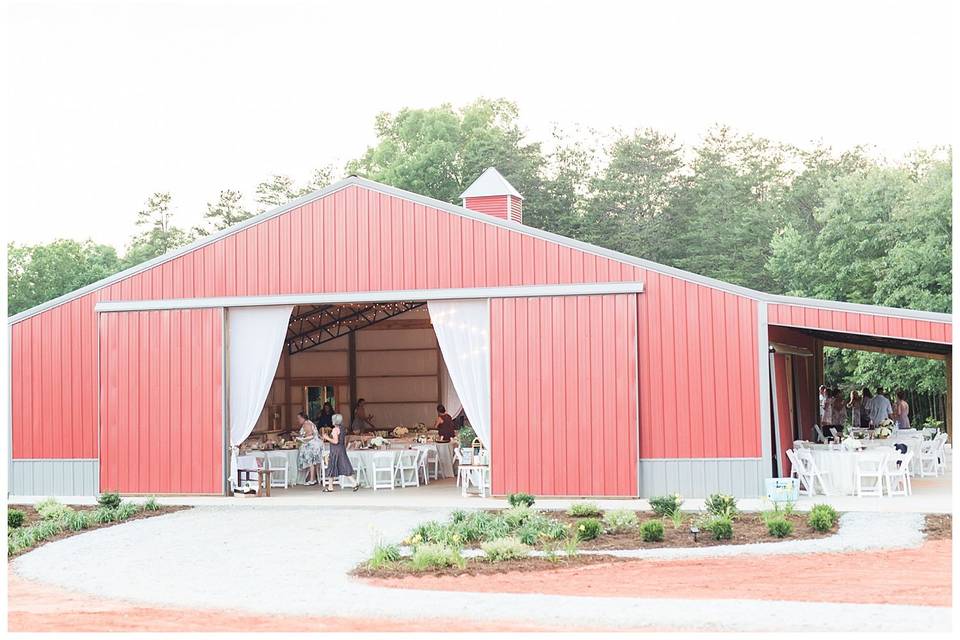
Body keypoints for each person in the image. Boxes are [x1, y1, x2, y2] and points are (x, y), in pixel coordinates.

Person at [321, 414, 359, 492]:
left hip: (335, 450)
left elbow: (335, 441)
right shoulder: (343, 429)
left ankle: (331, 487)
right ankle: (353, 483)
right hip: (341, 449)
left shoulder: (335, 430)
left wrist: (327, 437)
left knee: (332, 467)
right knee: (344, 466)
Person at [295, 411, 323, 486]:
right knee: (312, 462)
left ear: (303, 418)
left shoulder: (306, 424)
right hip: (315, 444)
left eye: (299, 418)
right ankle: (312, 478)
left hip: (311, 445)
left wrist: (301, 439)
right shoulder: (309, 423)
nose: (298, 420)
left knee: (310, 461)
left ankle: (312, 479)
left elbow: (310, 434)